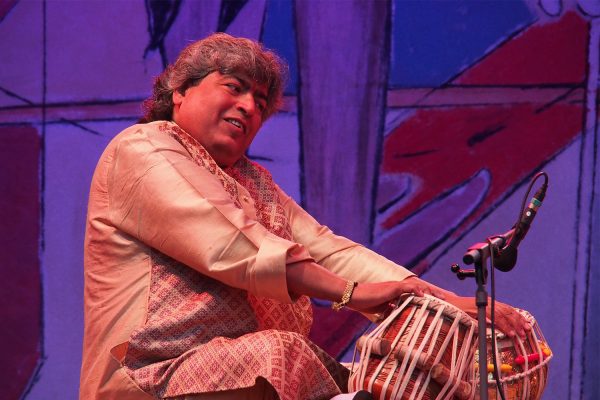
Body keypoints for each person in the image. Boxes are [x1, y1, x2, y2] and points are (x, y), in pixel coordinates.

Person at [80, 33, 529, 400]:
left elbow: (332, 252)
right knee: (284, 354)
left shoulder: (253, 183)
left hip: (242, 373)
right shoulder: (142, 148)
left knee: (384, 381)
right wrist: (353, 294)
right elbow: (230, 243)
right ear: (180, 91)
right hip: (149, 374)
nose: (250, 107)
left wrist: (449, 305)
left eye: (260, 100)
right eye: (233, 87)